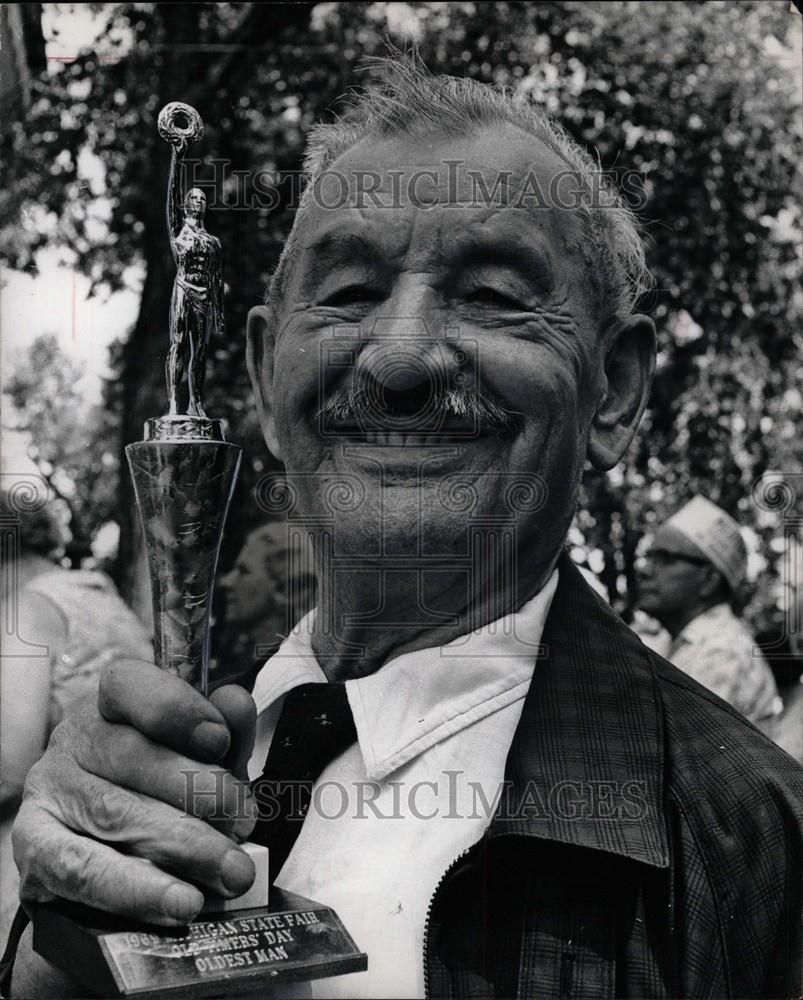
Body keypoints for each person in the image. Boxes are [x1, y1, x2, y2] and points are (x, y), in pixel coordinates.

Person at [7, 57, 802, 999]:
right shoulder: (168, 759)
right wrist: (44, 955)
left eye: (495, 298)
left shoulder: (745, 841)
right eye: (345, 294)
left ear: (614, 392)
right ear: (265, 377)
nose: (399, 356)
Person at [0, 490, 152, 945]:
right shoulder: (98, 595)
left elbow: (8, 770)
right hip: (121, 846)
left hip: (43, 862)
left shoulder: (26, 609)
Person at [637, 495, 781, 730]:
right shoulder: (675, 641)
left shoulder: (722, 652)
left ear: (709, 580)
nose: (644, 569)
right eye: (649, 556)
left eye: (666, 558)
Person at [215, 522, 316, 683]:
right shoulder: (234, 661)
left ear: (290, 591)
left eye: (244, 571)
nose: (226, 582)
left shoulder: (289, 677)